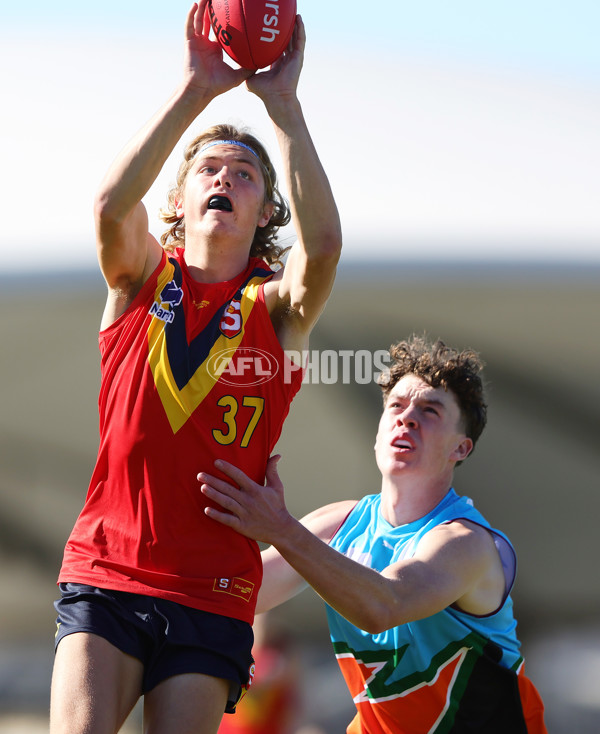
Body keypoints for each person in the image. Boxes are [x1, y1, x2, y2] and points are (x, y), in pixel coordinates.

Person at [50, 1, 341, 732]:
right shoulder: (140, 281)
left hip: (211, 590)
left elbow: (326, 249)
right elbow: (112, 206)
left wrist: (284, 106)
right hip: (107, 568)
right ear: (178, 200)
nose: (225, 178)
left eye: (244, 174)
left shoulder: (275, 312)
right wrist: (196, 90)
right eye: (209, 168)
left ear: (265, 211)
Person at [199, 335, 548, 733]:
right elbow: (235, 592)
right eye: (396, 406)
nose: (407, 417)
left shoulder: (465, 542)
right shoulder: (338, 525)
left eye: (430, 410)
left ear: (461, 448)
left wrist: (280, 528)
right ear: (379, 432)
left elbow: (384, 606)